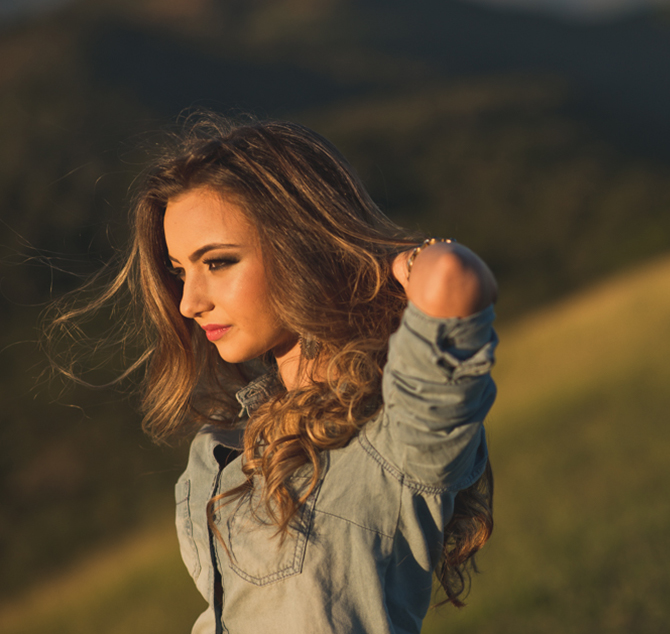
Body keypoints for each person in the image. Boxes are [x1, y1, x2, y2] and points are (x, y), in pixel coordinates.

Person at [50, 114, 497, 634]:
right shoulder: (219, 450)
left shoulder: (396, 435)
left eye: (216, 262)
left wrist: (381, 260)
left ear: (301, 245)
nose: (190, 302)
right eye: (179, 271)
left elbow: (451, 277)